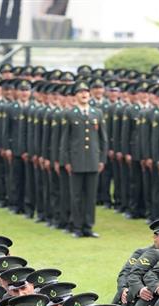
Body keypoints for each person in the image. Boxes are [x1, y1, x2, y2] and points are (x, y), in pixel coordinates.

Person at [60, 82, 107, 238]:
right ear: (76, 96)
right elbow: (65, 140)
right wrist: (66, 160)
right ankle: (77, 227)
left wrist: (102, 159)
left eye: (86, 91)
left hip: (93, 160)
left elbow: (103, 140)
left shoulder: (97, 113)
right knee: (76, 196)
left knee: (91, 196)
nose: (84, 94)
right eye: (80, 92)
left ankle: (88, 226)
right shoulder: (70, 114)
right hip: (76, 160)